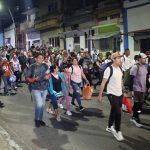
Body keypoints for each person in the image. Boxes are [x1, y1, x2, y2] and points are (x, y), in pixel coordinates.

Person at [98, 52, 124, 141]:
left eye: (120, 58)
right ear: (113, 59)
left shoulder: (120, 68)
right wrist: (100, 95)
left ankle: (109, 127)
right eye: (118, 58)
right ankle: (118, 131)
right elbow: (103, 82)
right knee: (118, 112)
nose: (120, 60)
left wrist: (123, 91)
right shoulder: (109, 69)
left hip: (119, 93)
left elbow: (120, 81)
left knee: (114, 110)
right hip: (111, 93)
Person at [25, 53, 50, 127]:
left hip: (44, 88)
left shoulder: (45, 65)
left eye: (42, 58)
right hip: (35, 88)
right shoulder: (32, 67)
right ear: (36, 58)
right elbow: (26, 77)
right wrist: (33, 79)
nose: (41, 59)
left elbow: (49, 73)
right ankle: (37, 119)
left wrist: (48, 76)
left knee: (42, 105)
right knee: (39, 104)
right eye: (39, 58)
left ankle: (40, 119)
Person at [130, 53, 148, 127]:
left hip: (143, 89)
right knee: (138, 105)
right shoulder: (135, 67)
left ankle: (135, 115)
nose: (145, 59)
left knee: (140, 105)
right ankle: (136, 117)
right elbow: (131, 79)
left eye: (145, 58)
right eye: (144, 58)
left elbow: (146, 78)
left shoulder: (144, 67)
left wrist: (148, 87)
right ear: (139, 59)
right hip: (136, 89)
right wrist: (132, 90)